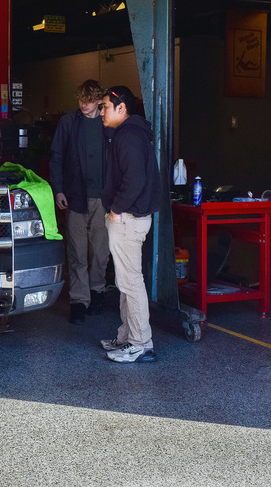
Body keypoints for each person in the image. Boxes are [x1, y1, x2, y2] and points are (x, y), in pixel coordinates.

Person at [97, 85, 160, 364]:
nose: (101, 112)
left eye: (104, 107)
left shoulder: (128, 135)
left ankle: (140, 344)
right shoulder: (132, 132)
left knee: (130, 282)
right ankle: (127, 336)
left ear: (121, 107)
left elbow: (135, 178)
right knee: (126, 280)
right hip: (132, 217)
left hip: (128, 218)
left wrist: (116, 209)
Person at [49, 79, 111, 326]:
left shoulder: (108, 123)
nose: (83, 105)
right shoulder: (69, 122)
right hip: (75, 195)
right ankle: (79, 301)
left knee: (100, 252)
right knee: (76, 251)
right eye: (81, 100)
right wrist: (58, 190)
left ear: (99, 101)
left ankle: (97, 292)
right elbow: (56, 157)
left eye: (89, 101)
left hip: (103, 198)